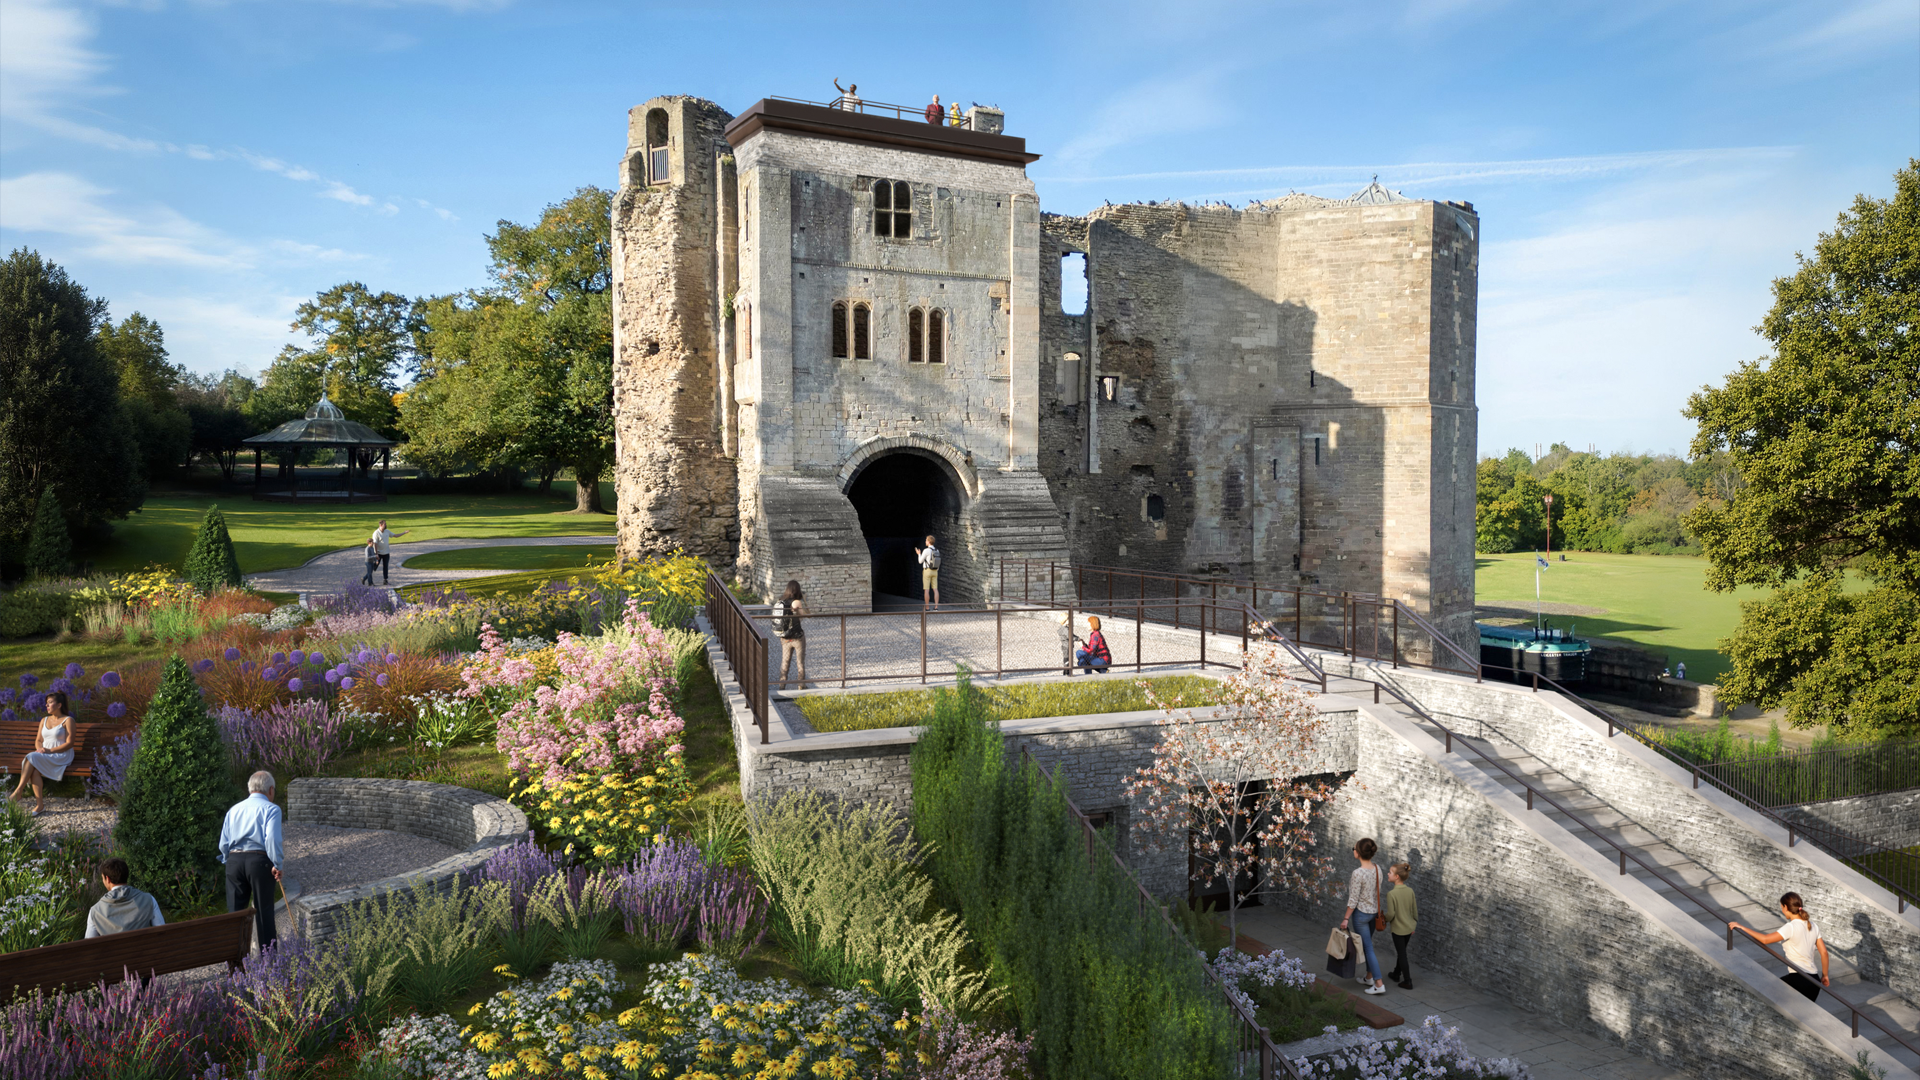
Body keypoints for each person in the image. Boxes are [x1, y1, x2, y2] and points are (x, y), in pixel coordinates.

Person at [219, 770, 285, 950]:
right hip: (259, 861)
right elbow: (271, 839)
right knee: (264, 912)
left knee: (236, 916)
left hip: (234, 861)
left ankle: (237, 967)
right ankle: (269, 963)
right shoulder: (272, 809)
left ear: (250, 789)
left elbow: (224, 843)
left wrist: (229, 860)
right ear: (270, 790)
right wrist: (277, 864)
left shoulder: (234, 810)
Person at [1731, 892, 1831, 1002]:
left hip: (1799, 978)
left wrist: (1741, 927)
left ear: (1786, 907)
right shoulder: (1813, 925)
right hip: (1814, 980)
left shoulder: (1791, 927)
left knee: (1766, 998)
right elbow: (1824, 953)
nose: (1782, 911)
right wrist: (1825, 976)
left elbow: (1765, 939)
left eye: (1782, 907)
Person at [9, 690, 74, 816]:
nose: (47, 705)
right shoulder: (44, 720)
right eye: (46, 703)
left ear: (59, 705)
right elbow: (38, 740)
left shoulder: (68, 720)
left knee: (31, 756)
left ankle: (18, 791)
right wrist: (40, 749)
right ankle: (40, 805)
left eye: (50, 702)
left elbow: (70, 743)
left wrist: (49, 750)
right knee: (34, 769)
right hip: (44, 754)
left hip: (61, 755)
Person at [1339, 837, 1389, 995]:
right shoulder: (1377, 869)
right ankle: (1369, 977)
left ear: (1359, 853)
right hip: (1374, 913)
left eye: (1354, 849)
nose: (1353, 851)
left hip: (1360, 915)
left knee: (1368, 949)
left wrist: (1346, 918)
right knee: (1368, 946)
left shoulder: (1357, 873)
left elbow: (1353, 899)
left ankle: (1379, 983)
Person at [85, 857, 165, 938]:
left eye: (102, 878)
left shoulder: (95, 911)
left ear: (107, 879)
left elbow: (89, 946)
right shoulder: (148, 900)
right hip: (143, 950)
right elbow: (162, 932)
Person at [1384, 862, 1418, 990]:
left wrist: (1383, 919)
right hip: (1409, 928)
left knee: (1402, 954)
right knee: (1401, 951)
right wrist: (1413, 925)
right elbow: (1414, 911)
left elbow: (1391, 914)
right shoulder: (1410, 891)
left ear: (1397, 876)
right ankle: (1396, 974)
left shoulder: (1391, 894)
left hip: (1398, 929)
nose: (1388, 874)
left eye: (1390, 872)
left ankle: (1408, 981)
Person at [773, 580, 809, 690]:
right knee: (800, 662)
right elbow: (806, 615)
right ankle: (801, 685)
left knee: (785, 661)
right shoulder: (796, 602)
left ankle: (782, 685)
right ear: (797, 590)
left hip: (784, 637)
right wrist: (804, 601)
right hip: (797, 637)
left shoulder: (780, 601)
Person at [370, 519, 411, 585]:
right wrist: (376, 554)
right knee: (375, 566)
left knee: (385, 566)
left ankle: (385, 580)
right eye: (384, 524)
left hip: (386, 553)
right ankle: (366, 577)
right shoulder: (376, 533)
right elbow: (375, 544)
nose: (386, 525)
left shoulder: (387, 531)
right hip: (379, 553)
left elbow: (395, 536)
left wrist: (404, 532)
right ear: (380, 525)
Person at [915, 535, 942, 609]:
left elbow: (920, 561)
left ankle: (927, 607)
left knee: (926, 589)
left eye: (926, 540)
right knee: (935, 589)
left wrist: (919, 554)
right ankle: (936, 607)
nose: (925, 541)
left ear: (929, 542)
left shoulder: (926, 550)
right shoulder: (937, 550)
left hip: (927, 571)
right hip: (935, 571)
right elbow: (938, 561)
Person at [1057, 611, 1077, 676]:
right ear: (1065, 620)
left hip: (1065, 646)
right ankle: (1067, 673)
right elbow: (1071, 636)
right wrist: (1078, 639)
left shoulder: (1063, 628)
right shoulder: (1066, 629)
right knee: (1068, 659)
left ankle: (1066, 672)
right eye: (1068, 619)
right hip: (1068, 646)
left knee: (1066, 658)